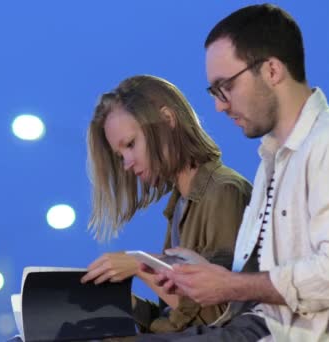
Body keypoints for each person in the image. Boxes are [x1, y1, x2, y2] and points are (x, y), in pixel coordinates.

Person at [141, 4, 329, 341]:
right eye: (214, 92)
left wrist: (230, 285)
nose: (219, 105)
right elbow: (265, 288)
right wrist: (208, 276)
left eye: (225, 86)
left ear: (272, 70)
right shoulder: (273, 162)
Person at [82, 75, 252, 333]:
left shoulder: (224, 192)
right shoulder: (180, 206)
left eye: (131, 144)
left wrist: (141, 265)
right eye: (120, 156)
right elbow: (178, 314)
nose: (127, 164)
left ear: (168, 120)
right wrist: (119, 303)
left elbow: (221, 315)